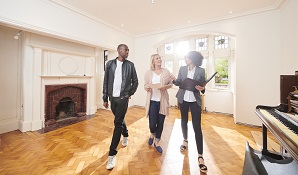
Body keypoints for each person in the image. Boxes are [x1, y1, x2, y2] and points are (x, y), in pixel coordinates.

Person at [170, 51, 208, 173]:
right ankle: (185, 141)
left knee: (197, 126)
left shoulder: (201, 71)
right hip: (183, 100)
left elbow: (203, 88)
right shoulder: (182, 68)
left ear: (193, 58)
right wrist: (174, 80)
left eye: (187, 57)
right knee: (184, 121)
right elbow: (179, 83)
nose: (185, 58)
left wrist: (202, 89)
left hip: (195, 101)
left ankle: (200, 156)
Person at [103, 44, 138, 170]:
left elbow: (135, 82)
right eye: (125, 50)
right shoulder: (110, 64)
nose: (127, 51)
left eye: (128, 50)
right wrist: (105, 97)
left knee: (117, 123)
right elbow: (106, 81)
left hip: (123, 98)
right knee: (119, 119)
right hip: (113, 98)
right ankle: (126, 134)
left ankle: (112, 154)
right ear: (119, 51)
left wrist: (129, 93)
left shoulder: (130, 65)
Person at [144, 54, 172, 154]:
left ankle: (157, 141)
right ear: (153, 61)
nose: (159, 59)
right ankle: (152, 134)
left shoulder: (166, 72)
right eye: (157, 58)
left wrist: (165, 87)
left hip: (162, 101)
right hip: (152, 101)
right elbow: (146, 85)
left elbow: (170, 84)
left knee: (160, 123)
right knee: (152, 123)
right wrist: (146, 88)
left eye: (160, 58)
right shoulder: (148, 73)